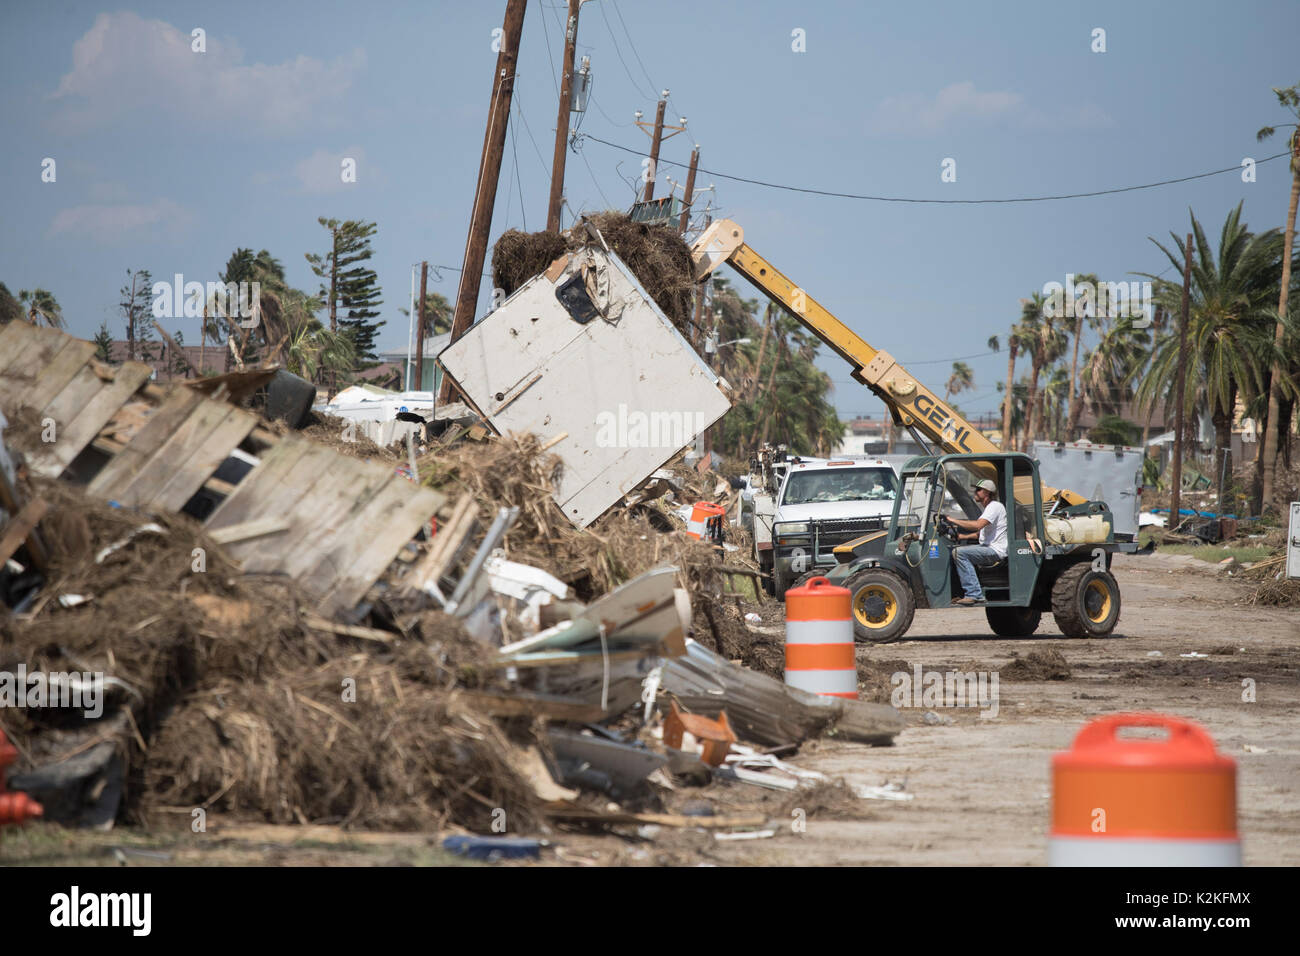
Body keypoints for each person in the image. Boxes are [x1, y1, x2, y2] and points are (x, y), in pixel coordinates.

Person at [948, 478, 1007, 606]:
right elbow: (980, 533)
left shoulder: (994, 507)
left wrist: (953, 520)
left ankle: (974, 594)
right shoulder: (988, 508)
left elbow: (978, 526)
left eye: (978, 490)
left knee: (959, 553)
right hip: (987, 547)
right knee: (956, 550)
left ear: (987, 492)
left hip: (994, 551)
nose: (975, 492)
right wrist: (961, 537)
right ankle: (957, 592)